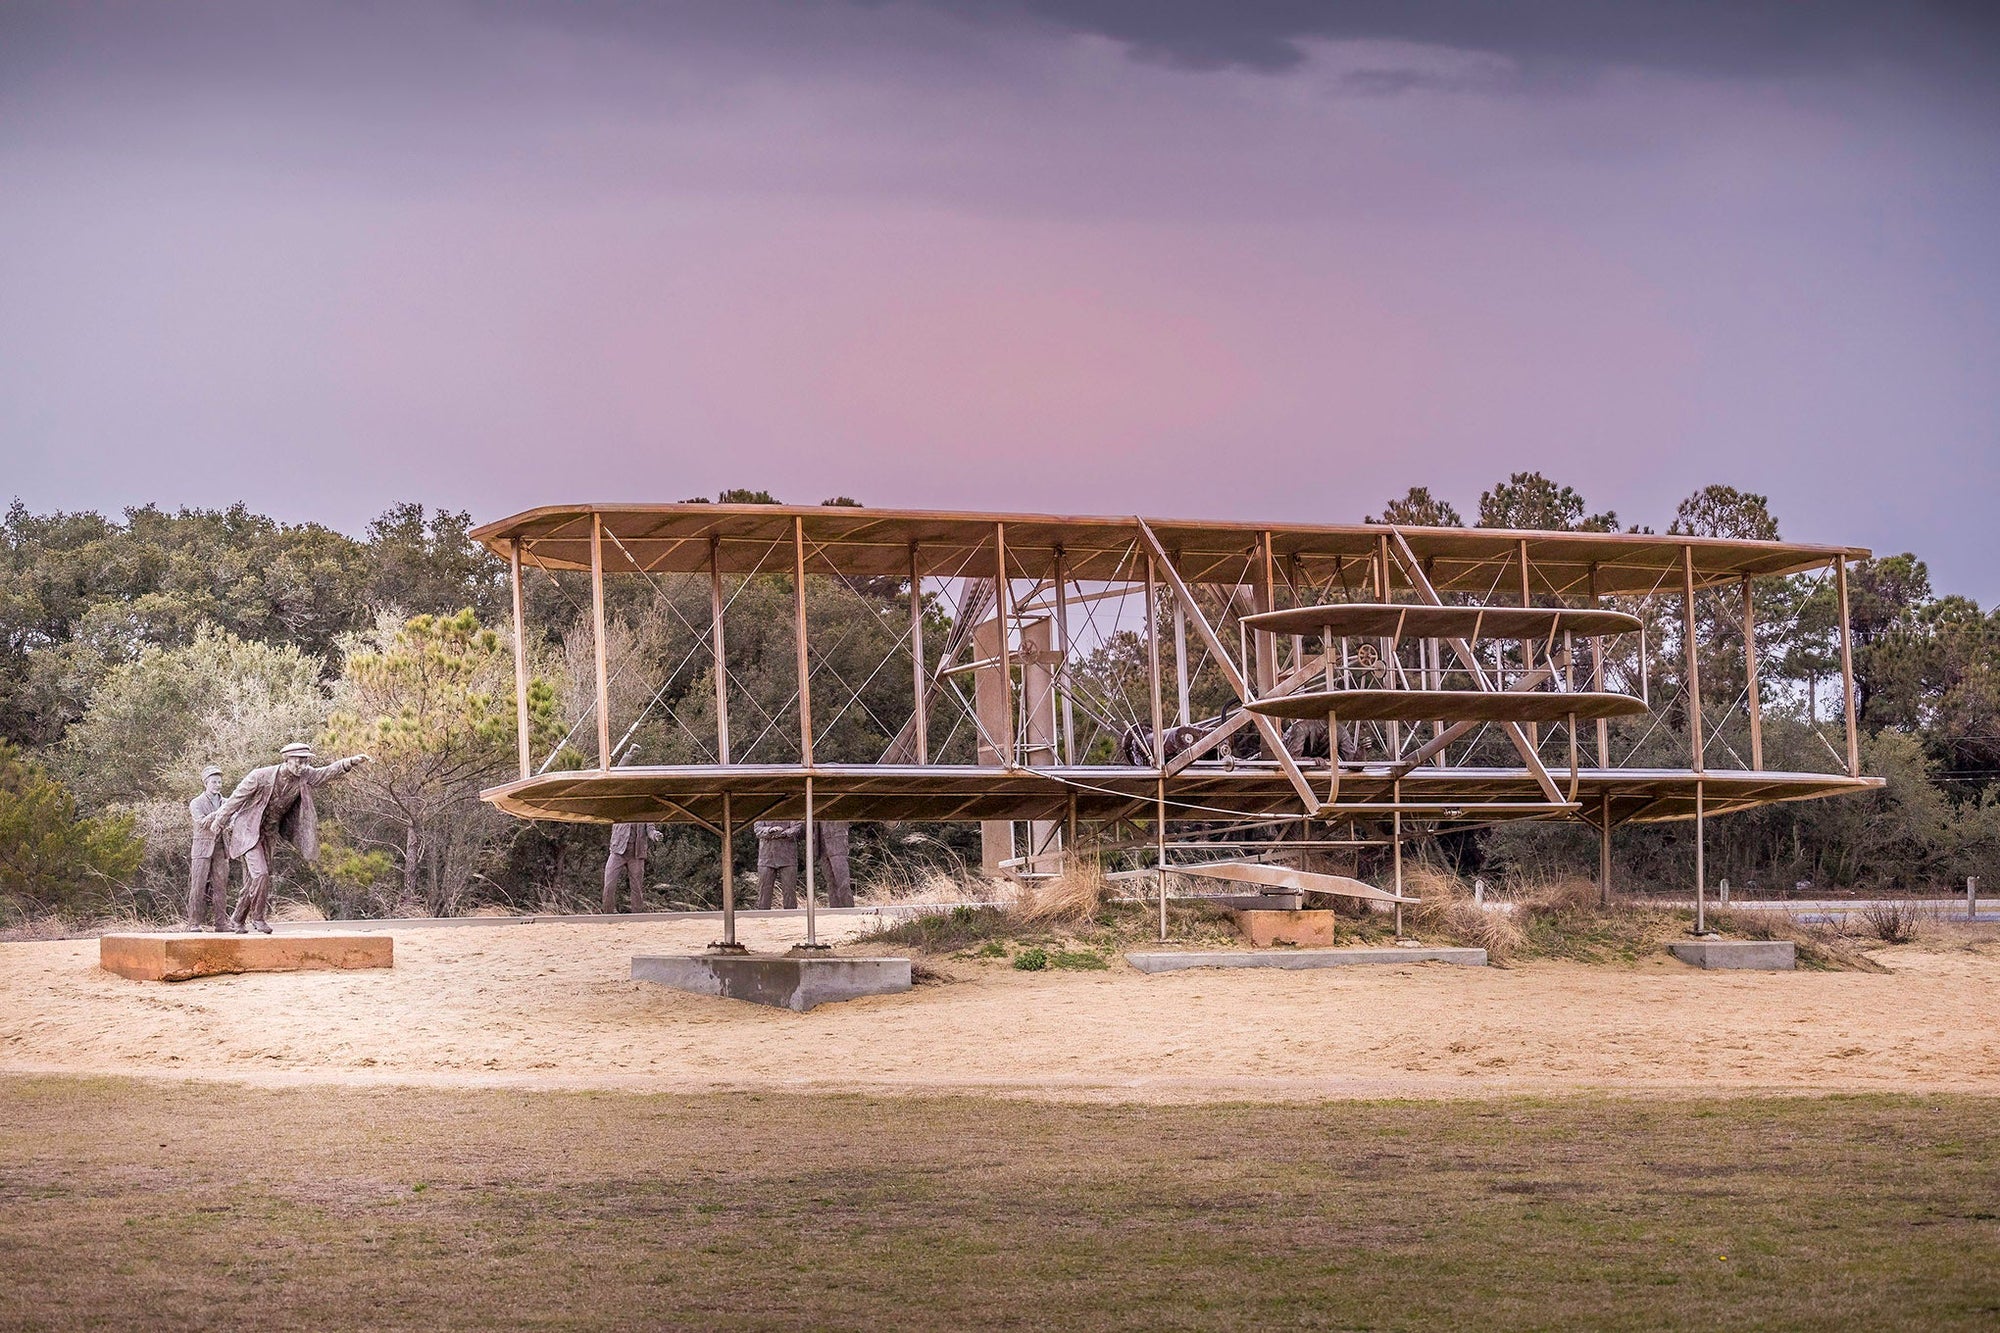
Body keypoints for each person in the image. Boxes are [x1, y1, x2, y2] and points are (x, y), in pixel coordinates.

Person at [201, 741, 370, 934]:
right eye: (299, 761)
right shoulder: (260, 776)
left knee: (256, 879)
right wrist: (219, 821)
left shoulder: (305, 776)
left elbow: (326, 772)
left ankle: (237, 919)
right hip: (248, 831)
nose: (303, 765)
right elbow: (235, 800)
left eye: (305, 761)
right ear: (287, 760)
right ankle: (258, 918)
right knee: (261, 874)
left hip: (269, 833)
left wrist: (350, 762)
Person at [185, 764, 231, 931]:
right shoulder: (196, 803)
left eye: (219, 782)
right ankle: (193, 924)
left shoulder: (226, 802)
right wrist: (221, 813)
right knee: (198, 885)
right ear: (206, 783)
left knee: (221, 886)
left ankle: (221, 923)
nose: (218, 785)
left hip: (221, 848)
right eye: (214, 782)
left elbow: (231, 822)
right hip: (202, 849)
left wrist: (225, 813)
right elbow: (201, 822)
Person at [603, 821, 661, 914]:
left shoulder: (644, 813)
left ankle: (636, 914)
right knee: (609, 884)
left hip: (636, 854)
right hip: (617, 851)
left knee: (636, 887)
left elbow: (650, 829)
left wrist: (655, 835)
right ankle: (608, 913)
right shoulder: (620, 809)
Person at [755, 820, 802, 909]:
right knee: (764, 891)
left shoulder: (791, 811)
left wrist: (783, 833)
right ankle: (763, 916)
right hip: (766, 857)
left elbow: (796, 827)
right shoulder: (763, 812)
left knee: (789, 890)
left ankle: (791, 916)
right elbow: (757, 829)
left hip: (787, 857)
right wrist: (770, 830)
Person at [816, 820, 854, 908]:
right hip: (823, 847)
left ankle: (848, 908)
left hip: (838, 844)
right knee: (830, 882)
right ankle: (834, 908)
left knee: (842, 881)